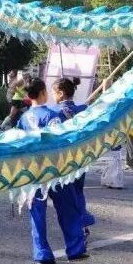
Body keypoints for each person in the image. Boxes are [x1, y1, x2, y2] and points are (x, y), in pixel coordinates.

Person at [19, 79, 88, 264]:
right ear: (43, 93)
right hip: (55, 169)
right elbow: (60, 140)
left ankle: (42, 253)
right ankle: (75, 249)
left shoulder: (24, 118)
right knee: (68, 209)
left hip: (33, 171)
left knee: (37, 213)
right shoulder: (52, 115)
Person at [53, 78, 96, 232]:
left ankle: (78, 226)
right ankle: (82, 223)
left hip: (65, 159)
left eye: (54, 93)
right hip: (82, 157)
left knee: (67, 195)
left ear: (61, 93)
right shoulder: (84, 109)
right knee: (78, 191)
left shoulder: (56, 113)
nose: (53, 96)